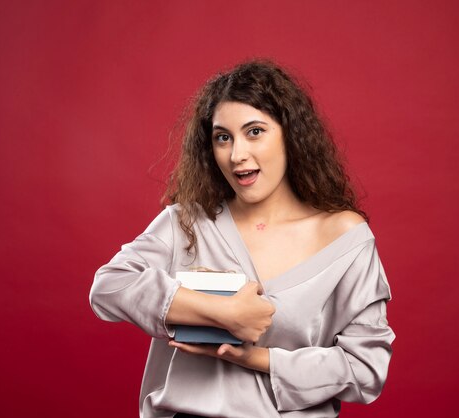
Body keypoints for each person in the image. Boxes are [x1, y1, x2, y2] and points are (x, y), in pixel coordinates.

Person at [89, 59, 394, 418]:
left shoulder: (345, 237)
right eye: (223, 137)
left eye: (254, 132)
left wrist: (257, 358)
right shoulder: (187, 222)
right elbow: (109, 288)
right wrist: (225, 313)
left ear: (290, 134)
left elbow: (366, 369)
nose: (237, 155)